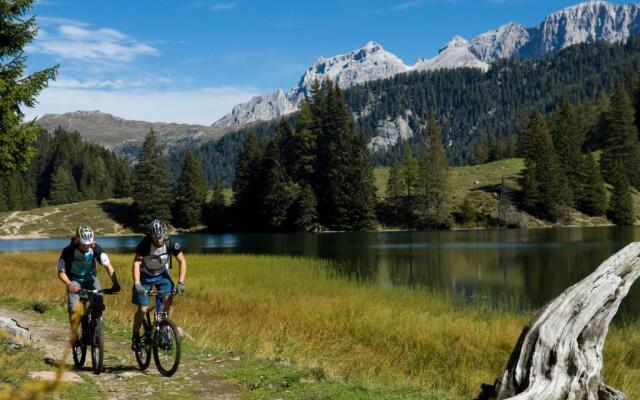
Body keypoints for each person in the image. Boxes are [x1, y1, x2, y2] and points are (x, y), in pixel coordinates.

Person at [57, 225, 120, 342]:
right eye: (83, 244)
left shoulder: (96, 248)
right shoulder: (68, 251)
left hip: (91, 279)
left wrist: (115, 283)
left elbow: (108, 266)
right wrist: (69, 283)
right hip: (74, 280)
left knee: (99, 302)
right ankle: (74, 333)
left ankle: (96, 328)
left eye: (88, 244)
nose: (86, 247)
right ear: (78, 241)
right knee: (74, 308)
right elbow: (61, 272)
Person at [131, 218, 187, 351]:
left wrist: (181, 282)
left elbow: (182, 261)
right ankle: (135, 335)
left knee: (168, 300)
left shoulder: (170, 242)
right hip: (145, 275)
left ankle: (164, 329)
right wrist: (137, 284)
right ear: (150, 236)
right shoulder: (145, 244)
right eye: (155, 238)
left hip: (162, 274)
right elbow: (136, 264)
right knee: (143, 309)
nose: (158, 240)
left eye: (160, 237)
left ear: (164, 234)